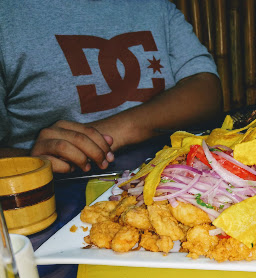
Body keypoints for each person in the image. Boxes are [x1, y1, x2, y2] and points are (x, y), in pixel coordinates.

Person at [0, 0, 223, 173]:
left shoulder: (156, 7)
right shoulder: (8, 16)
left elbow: (206, 89)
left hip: (169, 173)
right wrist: (30, 160)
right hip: (54, 196)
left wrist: (112, 132)